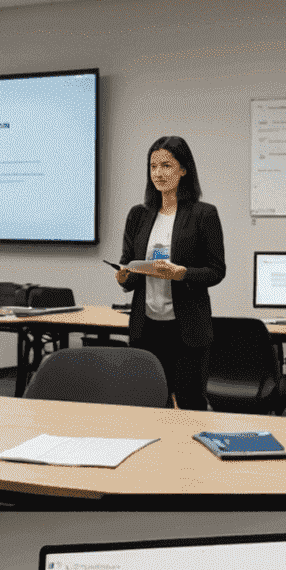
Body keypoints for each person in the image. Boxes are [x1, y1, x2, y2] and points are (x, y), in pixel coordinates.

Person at [114, 136, 225, 410]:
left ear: (183, 169)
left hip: (187, 328)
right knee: (149, 403)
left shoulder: (204, 214)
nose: (159, 173)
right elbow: (128, 262)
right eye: (153, 166)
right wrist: (124, 276)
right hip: (147, 327)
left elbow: (216, 271)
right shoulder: (138, 215)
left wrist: (182, 274)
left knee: (188, 405)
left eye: (166, 165)